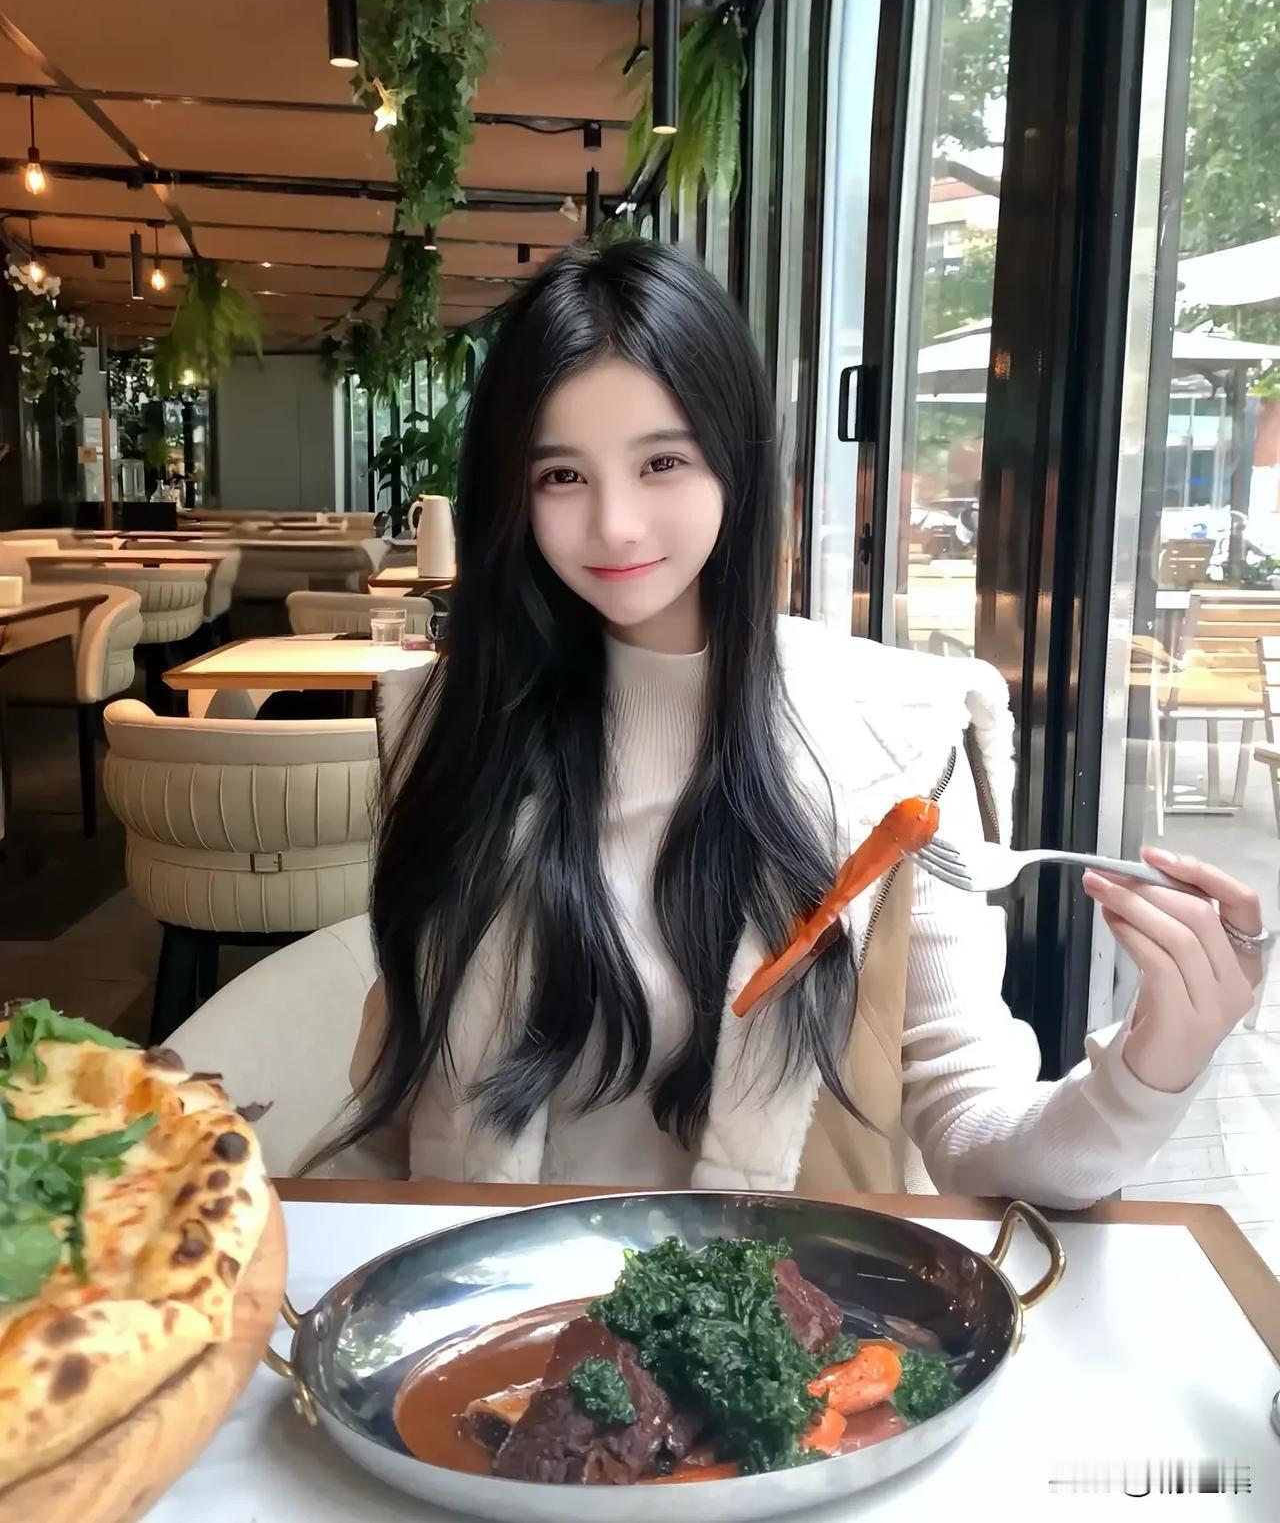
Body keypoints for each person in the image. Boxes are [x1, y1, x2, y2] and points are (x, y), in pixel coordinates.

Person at [303, 242, 1267, 1206]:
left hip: (773, 1295)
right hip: (493, 1286)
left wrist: (1145, 1076)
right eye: (561, 475)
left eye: (662, 462)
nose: (615, 525)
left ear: (736, 462)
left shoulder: (893, 737)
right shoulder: (456, 725)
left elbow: (969, 1124)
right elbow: (398, 1111)